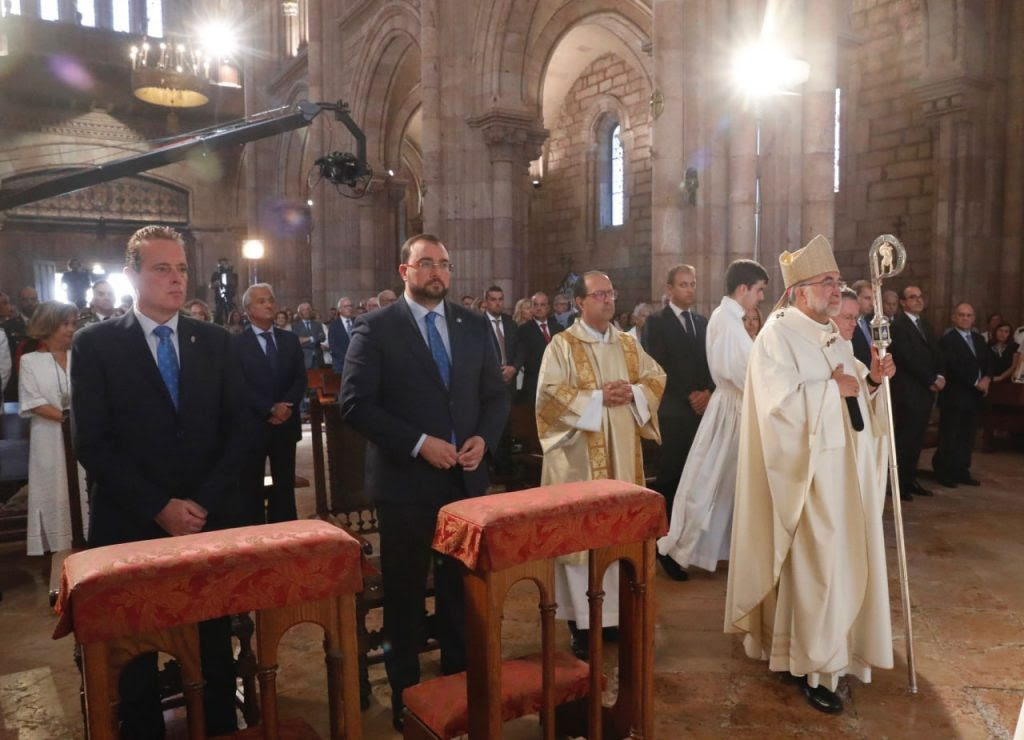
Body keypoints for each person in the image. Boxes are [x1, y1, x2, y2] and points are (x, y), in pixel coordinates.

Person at [71, 225, 244, 737]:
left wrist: (202, 502)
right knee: (138, 650)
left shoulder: (214, 341)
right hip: (131, 521)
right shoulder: (97, 344)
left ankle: (217, 723)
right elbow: (92, 444)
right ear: (131, 275)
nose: (176, 278)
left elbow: (240, 431)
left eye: (182, 268)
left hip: (209, 519)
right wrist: (159, 506)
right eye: (161, 268)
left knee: (214, 643)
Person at [340, 233, 508, 732]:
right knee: (406, 597)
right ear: (405, 270)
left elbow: (495, 397)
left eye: (444, 264)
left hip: (464, 484)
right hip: (406, 487)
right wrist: (418, 443)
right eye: (426, 263)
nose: (437, 272)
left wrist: (484, 438)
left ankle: (457, 687)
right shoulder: (375, 328)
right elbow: (356, 404)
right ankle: (408, 695)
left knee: (462, 592)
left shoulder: (474, 325)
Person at [726, 234, 896, 716]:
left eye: (838, 282)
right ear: (801, 290)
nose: (836, 291)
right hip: (807, 478)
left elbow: (853, 397)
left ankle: (832, 655)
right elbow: (777, 409)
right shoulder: (778, 335)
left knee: (835, 570)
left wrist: (872, 381)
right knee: (816, 573)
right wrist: (832, 389)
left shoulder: (827, 332)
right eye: (828, 283)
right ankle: (811, 666)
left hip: (845, 476)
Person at [536, 271, 665, 659]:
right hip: (577, 462)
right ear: (580, 302)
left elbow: (656, 377)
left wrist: (635, 391)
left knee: (618, 535)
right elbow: (547, 399)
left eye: (611, 293)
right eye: (599, 295)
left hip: (622, 458)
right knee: (580, 540)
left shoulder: (628, 344)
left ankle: (613, 618)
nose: (608, 301)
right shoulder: (561, 346)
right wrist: (595, 398)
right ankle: (580, 623)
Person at [659, 260, 767, 576]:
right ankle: (674, 549)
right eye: (759, 290)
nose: (760, 297)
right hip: (731, 410)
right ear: (743, 288)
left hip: (737, 406)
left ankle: (718, 550)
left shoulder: (728, 318)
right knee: (706, 484)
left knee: (728, 488)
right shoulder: (727, 320)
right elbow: (742, 370)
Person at [640, 264, 713, 581]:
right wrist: (689, 396)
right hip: (673, 412)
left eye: (693, 284)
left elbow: (712, 361)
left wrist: (708, 392)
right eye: (683, 284)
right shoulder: (656, 323)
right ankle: (663, 547)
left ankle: (688, 542)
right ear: (669, 289)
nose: (689, 289)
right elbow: (656, 367)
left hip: (701, 412)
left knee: (695, 480)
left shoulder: (702, 322)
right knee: (671, 479)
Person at [18, 301, 87, 555]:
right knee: (55, 484)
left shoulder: (81, 356)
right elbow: (34, 401)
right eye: (64, 324)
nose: (71, 329)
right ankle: (60, 543)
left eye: (73, 323)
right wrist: (68, 420)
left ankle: (86, 535)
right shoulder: (30, 361)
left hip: (81, 434)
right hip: (49, 435)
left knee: (83, 483)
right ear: (48, 326)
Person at [235, 283, 306, 524]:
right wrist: (269, 408)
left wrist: (286, 406)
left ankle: (286, 534)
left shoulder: (289, 340)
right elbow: (239, 385)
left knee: (284, 485)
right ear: (247, 309)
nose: (268, 305)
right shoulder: (236, 344)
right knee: (251, 486)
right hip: (254, 425)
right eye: (261, 301)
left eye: (271, 300)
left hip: (286, 424)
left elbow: (299, 378)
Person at [889, 285, 944, 500]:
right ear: (903, 302)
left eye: (920, 297)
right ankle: (899, 485)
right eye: (913, 297)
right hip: (908, 392)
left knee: (917, 440)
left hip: (924, 392)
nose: (918, 301)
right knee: (905, 440)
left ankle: (910, 479)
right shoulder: (899, 327)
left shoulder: (925, 325)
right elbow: (906, 357)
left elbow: (937, 353)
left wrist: (940, 375)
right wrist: (930, 379)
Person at [933, 303, 991, 488]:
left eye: (969, 315)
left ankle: (962, 471)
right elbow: (953, 367)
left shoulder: (978, 338)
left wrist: (987, 379)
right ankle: (944, 473)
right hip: (954, 396)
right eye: (961, 315)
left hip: (974, 398)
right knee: (950, 436)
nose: (965, 318)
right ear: (954, 318)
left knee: (967, 437)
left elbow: (989, 361)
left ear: (973, 318)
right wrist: (976, 383)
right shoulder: (947, 340)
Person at [514, 291, 563, 406]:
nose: (539, 308)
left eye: (542, 305)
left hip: (557, 385)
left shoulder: (559, 329)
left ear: (548, 307)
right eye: (535, 305)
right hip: (534, 385)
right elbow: (525, 357)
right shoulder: (524, 330)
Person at [3, 286, 40, 403]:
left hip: (41, 379)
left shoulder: (47, 325)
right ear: (19, 301)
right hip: (17, 383)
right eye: (25, 299)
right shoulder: (8, 327)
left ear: (38, 301)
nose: (29, 303)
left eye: (33, 299)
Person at [482, 285, 520, 392]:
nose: (498, 303)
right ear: (486, 302)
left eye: (500, 299)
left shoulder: (511, 323)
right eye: (493, 300)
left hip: (510, 381)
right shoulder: (478, 323)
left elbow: (519, 349)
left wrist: (514, 368)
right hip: (488, 383)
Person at [327, 296, 356, 375]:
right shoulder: (333, 325)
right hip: (341, 365)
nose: (349, 308)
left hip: (358, 364)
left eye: (351, 306)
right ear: (339, 309)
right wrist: (348, 359)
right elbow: (333, 346)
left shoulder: (357, 322)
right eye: (346, 306)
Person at [849, 279, 875, 366]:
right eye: (867, 298)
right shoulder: (847, 324)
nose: (872, 303)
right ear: (855, 297)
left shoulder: (870, 322)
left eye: (873, 298)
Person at [293, 302, 326, 368]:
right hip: (304, 358)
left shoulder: (317, 324)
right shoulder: (295, 326)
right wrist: (314, 338)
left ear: (311, 311)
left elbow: (322, 337)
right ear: (300, 313)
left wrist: (307, 339)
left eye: (308, 309)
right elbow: (297, 341)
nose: (306, 311)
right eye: (303, 310)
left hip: (318, 357)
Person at [209, 257, 238, 325]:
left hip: (229, 297)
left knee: (230, 311)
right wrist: (215, 284)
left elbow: (235, 284)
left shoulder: (233, 275)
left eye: (224, 264)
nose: (223, 266)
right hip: (219, 297)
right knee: (219, 312)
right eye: (221, 264)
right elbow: (210, 285)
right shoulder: (216, 274)